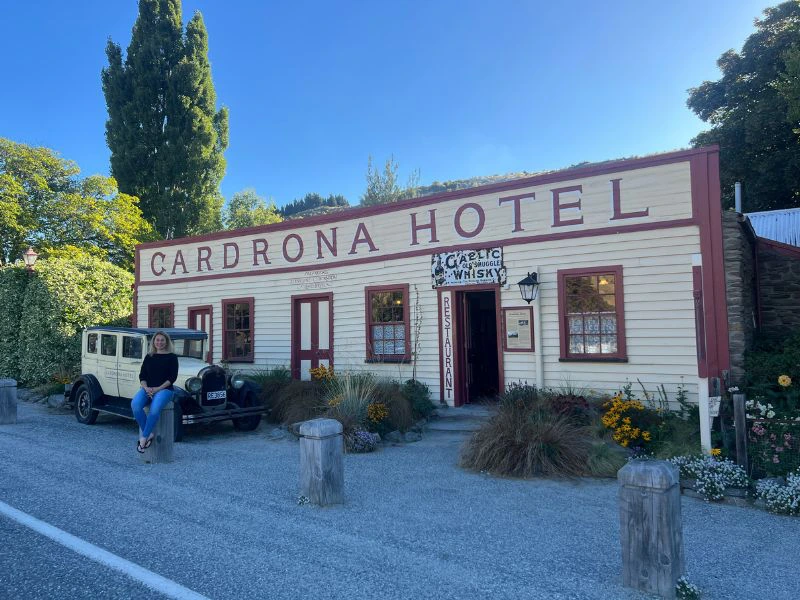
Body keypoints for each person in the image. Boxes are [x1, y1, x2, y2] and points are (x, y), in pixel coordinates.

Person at [132, 331, 179, 452]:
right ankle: (149, 434)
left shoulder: (172, 357)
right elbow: (142, 375)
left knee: (154, 409)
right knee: (135, 405)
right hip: (148, 388)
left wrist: (157, 389)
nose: (159, 342)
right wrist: (146, 387)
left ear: (167, 342)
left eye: (162, 340)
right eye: (157, 340)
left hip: (165, 390)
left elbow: (172, 378)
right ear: (153, 341)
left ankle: (143, 438)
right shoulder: (149, 356)